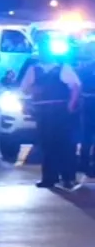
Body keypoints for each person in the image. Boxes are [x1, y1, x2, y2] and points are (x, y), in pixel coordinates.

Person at [22, 44, 81, 189]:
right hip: (43, 113)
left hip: (60, 112)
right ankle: (49, 178)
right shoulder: (34, 70)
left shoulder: (63, 68)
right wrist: (33, 92)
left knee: (65, 145)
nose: (44, 54)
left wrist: (71, 104)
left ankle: (68, 178)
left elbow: (76, 86)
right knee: (47, 146)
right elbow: (24, 88)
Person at [79, 46, 95, 174]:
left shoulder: (84, 69)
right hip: (88, 105)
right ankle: (85, 163)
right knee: (87, 136)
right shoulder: (85, 69)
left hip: (87, 104)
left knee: (87, 136)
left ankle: (86, 164)